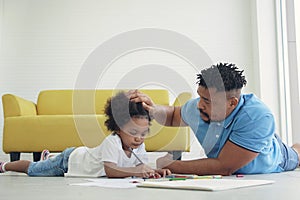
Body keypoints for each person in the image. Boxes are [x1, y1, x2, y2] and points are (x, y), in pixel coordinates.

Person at [129, 62, 300, 176]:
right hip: (243, 153)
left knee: (296, 154)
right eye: (200, 97)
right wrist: (152, 109)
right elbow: (174, 115)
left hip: (275, 158)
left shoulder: (258, 117)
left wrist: (169, 164)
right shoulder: (199, 107)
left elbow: (224, 167)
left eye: (208, 101)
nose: (199, 105)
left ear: (232, 103)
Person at [0, 92, 171, 178]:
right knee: (33, 170)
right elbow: (110, 170)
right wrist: (137, 171)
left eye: (143, 133)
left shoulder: (139, 145)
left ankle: (49, 156)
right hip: (69, 161)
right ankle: (4, 166)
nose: (138, 138)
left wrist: (155, 171)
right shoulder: (113, 142)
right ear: (117, 128)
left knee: (43, 165)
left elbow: (142, 167)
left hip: (81, 158)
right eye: (133, 132)